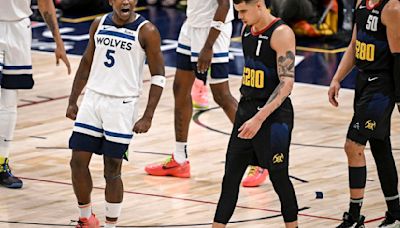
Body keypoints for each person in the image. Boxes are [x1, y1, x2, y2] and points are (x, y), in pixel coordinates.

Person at [144, 0, 268, 187]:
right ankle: (179, 159)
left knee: (221, 95)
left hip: (213, 31)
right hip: (192, 25)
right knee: (180, 89)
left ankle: (259, 159)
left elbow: (224, 5)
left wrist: (208, 46)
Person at [66, 0, 165, 227]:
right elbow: (86, 62)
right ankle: (86, 217)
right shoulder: (98, 24)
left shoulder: (147, 31)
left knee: (112, 168)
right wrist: (73, 100)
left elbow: (159, 75)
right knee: (77, 162)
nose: (126, 1)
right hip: (93, 99)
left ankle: (111, 225)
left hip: (122, 104)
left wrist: (148, 115)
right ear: (111, 1)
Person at [212, 0, 299, 227]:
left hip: (273, 117)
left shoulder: (281, 33)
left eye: (243, 11)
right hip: (246, 111)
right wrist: (248, 116)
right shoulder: (246, 29)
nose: (239, 16)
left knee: (280, 179)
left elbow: (286, 84)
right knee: (230, 179)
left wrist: (259, 118)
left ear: (259, 4)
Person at [328, 0, 400, 227]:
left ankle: (353, 215)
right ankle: (396, 213)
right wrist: (337, 78)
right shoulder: (361, 3)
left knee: (353, 145)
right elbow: (353, 45)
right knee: (380, 145)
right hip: (363, 83)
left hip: (382, 86)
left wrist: (399, 99)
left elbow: (398, 59)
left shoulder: (392, 8)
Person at [0, 0, 71, 189]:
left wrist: (59, 43)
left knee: (9, 101)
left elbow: (45, 4)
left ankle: (2, 162)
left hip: (19, 29)